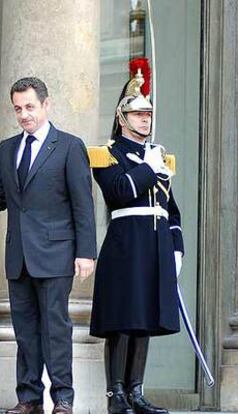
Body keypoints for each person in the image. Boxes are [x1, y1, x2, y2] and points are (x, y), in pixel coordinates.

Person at [0, 77, 97, 414]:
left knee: (56, 329)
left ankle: (63, 398)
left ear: (46, 105)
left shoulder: (69, 146)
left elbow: (83, 204)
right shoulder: (7, 149)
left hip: (56, 253)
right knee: (25, 331)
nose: (24, 115)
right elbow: (2, 197)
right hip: (19, 255)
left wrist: (86, 252)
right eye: (18, 108)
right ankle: (29, 398)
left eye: (30, 107)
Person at [88, 58, 184, 414]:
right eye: (139, 114)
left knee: (144, 318)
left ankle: (137, 390)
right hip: (127, 243)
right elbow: (120, 191)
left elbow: (171, 210)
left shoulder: (158, 157)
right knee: (123, 319)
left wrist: (176, 248)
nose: (146, 119)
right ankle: (116, 395)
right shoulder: (107, 155)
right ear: (122, 118)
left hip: (156, 244)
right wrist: (148, 167)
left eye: (148, 114)